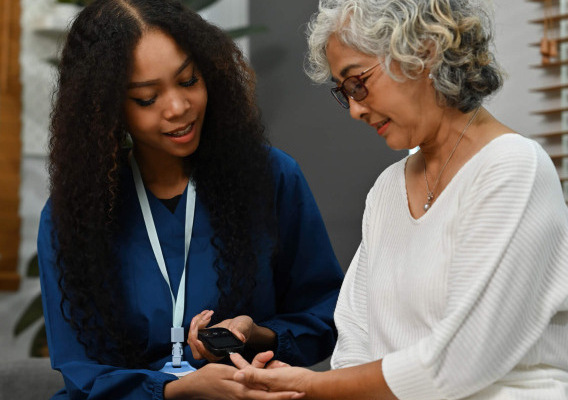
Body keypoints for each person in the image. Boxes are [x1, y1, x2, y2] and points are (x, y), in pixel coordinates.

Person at [231, 0, 568, 398]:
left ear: (423, 51)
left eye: (358, 82)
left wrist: (316, 386)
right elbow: (353, 340)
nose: (354, 110)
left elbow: (459, 361)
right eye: (345, 93)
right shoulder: (388, 189)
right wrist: (315, 385)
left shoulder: (512, 167)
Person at [37, 0, 344, 399]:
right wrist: (174, 391)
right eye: (147, 99)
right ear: (108, 109)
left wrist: (257, 335)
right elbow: (81, 369)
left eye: (188, 81)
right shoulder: (74, 215)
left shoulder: (271, 178)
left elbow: (324, 314)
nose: (179, 108)